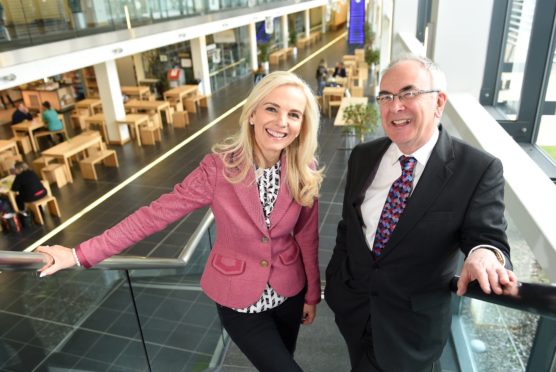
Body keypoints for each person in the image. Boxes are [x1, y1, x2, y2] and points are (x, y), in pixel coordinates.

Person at [37, 71, 323, 372]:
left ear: (302, 125)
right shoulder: (219, 168)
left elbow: (306, 236)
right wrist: (79, 255)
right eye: (272, 108)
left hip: (289, 292)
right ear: (252, 113)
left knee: (282, 358)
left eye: (294, 114)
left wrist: (312, 295)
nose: (282, 122)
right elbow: (153, 216)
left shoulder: (304, 169)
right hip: (240, 302)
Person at [324, 55, 518, 372]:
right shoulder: (363, 156)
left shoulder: (477, 169)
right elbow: (349, 227)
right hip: (353, 307)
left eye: (408, 93)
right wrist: (336, 282)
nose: (394, 106)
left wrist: (484, 254)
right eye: (385, 96)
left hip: (410, 329)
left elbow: (488, 237)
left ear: (438, 102)